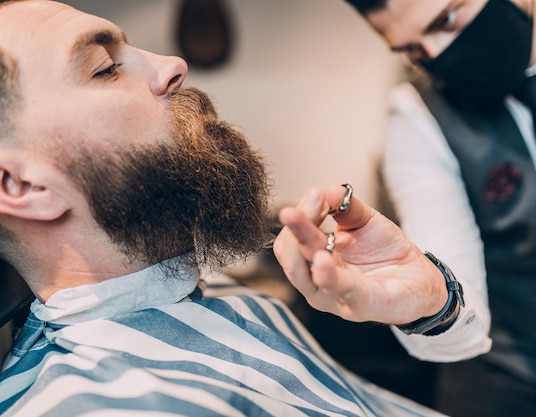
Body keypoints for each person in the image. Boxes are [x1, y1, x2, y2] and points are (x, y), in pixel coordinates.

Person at [0, 1, 448, 416]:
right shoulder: (107, 405)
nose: (173, 64)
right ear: (22, 186)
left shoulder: (211, 293)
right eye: (105, 68)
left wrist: (436, 305)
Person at [274, 0, 536, 416]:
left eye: (447, 19)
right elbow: (452, 268)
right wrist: (432, 302)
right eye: (412, 49)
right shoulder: (417, 113)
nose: (437, 55)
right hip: (505, 379)